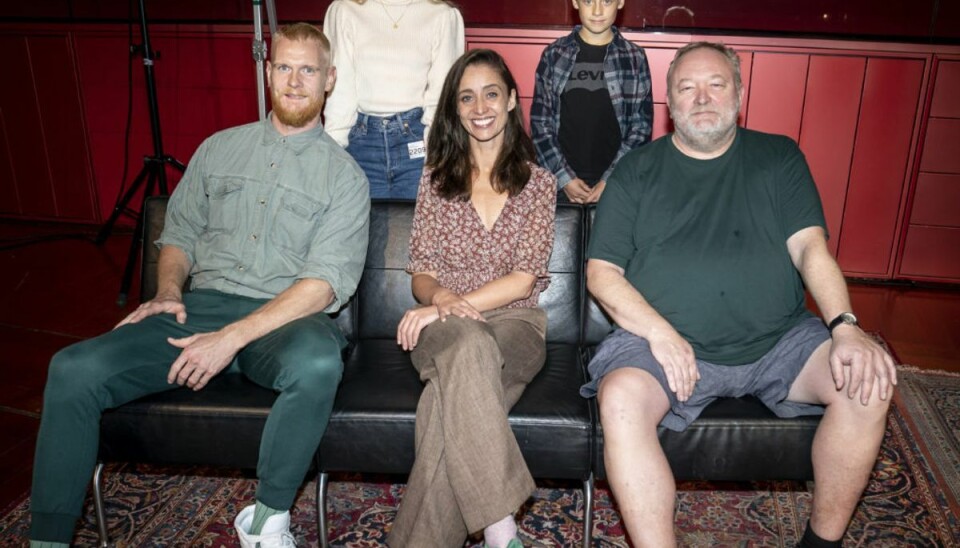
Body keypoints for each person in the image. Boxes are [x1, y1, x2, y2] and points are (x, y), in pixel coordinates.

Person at [28, 23, 369, 548]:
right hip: (200, 307)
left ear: (330, 79)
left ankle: (267, 522)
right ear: (268, 71)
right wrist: (167, 292)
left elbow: (324, 286)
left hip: (284, 320)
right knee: (72, 368)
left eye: (308, 70)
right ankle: (47, 539)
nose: (295, 81)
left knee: (319, 363)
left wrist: (232, 338)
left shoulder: (345, 177)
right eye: (284, 67)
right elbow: (179, 233)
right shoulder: (219, 149)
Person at [581, 42, 896, 548]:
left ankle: (821, 543)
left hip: (779, 340)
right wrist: (660, 333)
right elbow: (602, 274)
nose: (701, 98)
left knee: (869, 382)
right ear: (669, 101)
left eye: (716, 85)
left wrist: (846, 327)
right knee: (618, 399)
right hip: (664, 345)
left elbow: (811, 249)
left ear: (739, 94)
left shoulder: (779, 157)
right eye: (686, 87)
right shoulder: (635, 172)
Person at [388, 49, 557, 547]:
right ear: (455, 110)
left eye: (490, 93)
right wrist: (440, 297)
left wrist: (456, 304)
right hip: (444, 322)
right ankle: (505, 534)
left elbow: (525, 280)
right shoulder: (436, 181)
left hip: (518, 324)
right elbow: (421, 270)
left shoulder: (539, 184)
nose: (479, 106)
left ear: (509, 101)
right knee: (469, 345)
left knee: (443, 406)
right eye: (466, 97)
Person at [323, 0, 465, 199]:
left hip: (418, 142)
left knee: (418, 228)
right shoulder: (345, 10)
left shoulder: (442, 15)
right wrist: (330, 155)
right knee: (360, 228)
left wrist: (437, 156)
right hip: (359, 143)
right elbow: (340, 95)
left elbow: (442, 99)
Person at [530, 0, 652, 204]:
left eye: (606, 1)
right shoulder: (553, 55)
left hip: (616, 183)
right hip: (558, 182)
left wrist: (610, 179)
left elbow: (641, 129)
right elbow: (540, 124)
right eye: (588, 1)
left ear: (620, 2)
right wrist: (563, 178)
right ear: (575, 2)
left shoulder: (635, 58)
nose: (597, 10)